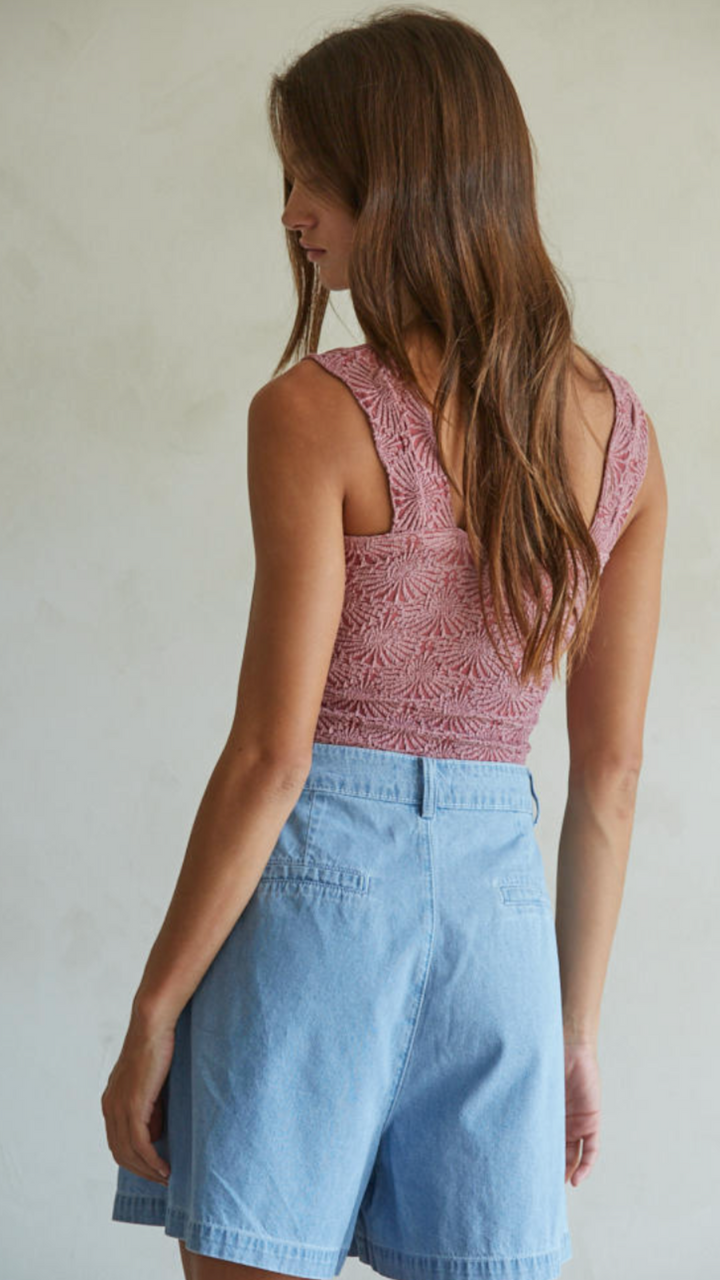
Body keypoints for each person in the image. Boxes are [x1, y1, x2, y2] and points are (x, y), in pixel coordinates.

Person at [102, 8, 668, 1280]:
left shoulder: (316, 411)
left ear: (398, 175)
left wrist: (151, 1014)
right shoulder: (621, 434)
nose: (292, 209)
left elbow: (271, 753)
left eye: (311, 174)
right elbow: (612, 780)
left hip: (319, 897)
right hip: (504, 922)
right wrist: (571, 1028)